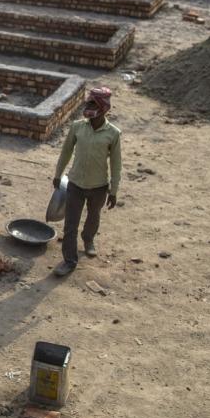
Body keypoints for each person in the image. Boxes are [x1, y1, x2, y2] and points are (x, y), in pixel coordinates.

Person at [52, 87, 122, 277]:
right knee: (70, 225)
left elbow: (116, 164)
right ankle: (69, 261)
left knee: (93, 217)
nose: (88, 107)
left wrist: (113, 190)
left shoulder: (113, 134)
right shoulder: (77, 127)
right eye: (88, 103)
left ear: (104, 108)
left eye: (93, 104)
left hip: (99, 186)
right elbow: (66, 151)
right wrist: (58, 174)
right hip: (75, 183)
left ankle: (88, 239)